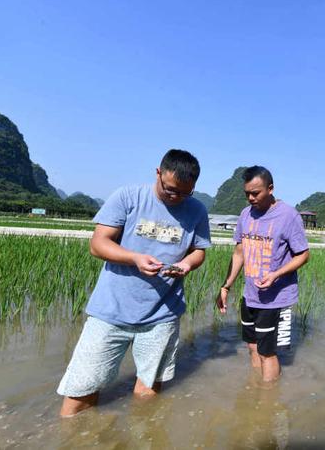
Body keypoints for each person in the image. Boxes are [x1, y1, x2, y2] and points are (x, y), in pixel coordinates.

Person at [58, 149, 211, 417]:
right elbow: (98, 244)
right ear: (158, 174)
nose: (176, 198)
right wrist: (134, 259)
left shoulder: (197, 210)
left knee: (148, 392)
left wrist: (187, 264)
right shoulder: (128, 197)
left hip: (162, 314)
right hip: (111, 311)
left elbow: (199, 250)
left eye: (185, 193)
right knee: (81, 389)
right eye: (171, 189)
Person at [216, 166, 309, 382]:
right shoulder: (245, 215)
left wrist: (276, 275)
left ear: (270, 188)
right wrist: (225, 286)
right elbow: (239, 252)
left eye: (255, 193)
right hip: (250, 296)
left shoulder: (288, 215)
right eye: (247, 193)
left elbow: (303, 255)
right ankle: (256, 392)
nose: (250, 198)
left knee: (268, 352)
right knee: (251, 346)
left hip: (275, 299)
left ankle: (268, 402)